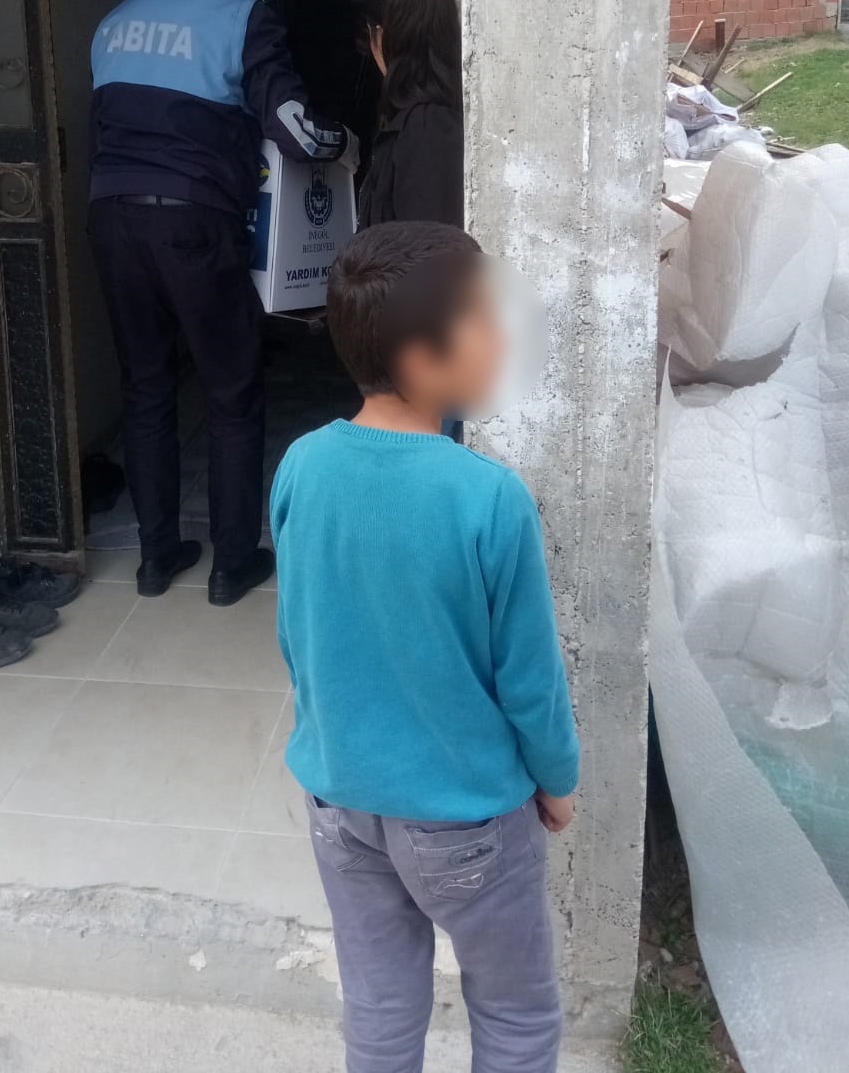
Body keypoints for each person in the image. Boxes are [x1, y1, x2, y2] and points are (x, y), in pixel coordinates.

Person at [271, 221, 579, 1073]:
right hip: (465, 817)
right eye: (482, 318)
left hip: (342, 802)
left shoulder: (301, 466)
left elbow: (298, 635)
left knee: (379, 1010)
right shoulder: (489, 498)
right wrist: (557, 781)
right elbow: (530, 680)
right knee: (515, 1014)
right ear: (420, 356)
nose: (501, 337)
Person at [88, 0, 358, 605]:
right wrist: (345, 144)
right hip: (194, 220)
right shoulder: (247, 13)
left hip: (111, 217)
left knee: (145, 385)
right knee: (232, 389)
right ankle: (232, 563)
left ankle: (156, 559)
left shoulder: (116, 18)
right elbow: (295, 130)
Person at [358, 0, 463, 230]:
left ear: (383, 35)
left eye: (372, 30)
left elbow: (429, 250)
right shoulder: (418, 123)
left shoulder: (426, 131)